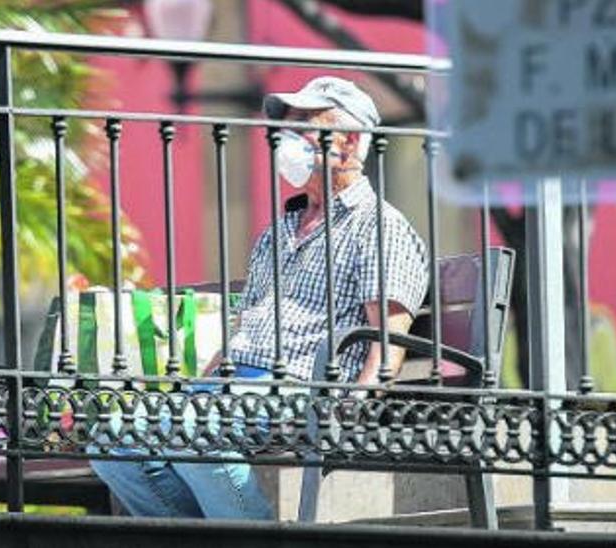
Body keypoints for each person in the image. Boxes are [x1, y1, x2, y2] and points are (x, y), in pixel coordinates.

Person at [90, 76, 429, 520]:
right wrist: (205, 378)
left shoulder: (378, 226)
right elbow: (249, 324)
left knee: (195, 433)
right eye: (286, 128)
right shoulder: (277, 232)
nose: (287, 140)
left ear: (347, 142)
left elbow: (388, 340)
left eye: (304, 126)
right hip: (235, 382)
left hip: (301, 385)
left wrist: (354, 403)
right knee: (113, 440)